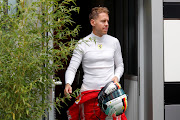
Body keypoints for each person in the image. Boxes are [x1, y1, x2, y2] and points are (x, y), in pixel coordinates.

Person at [64, 7, 126, 120]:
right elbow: (72, 68)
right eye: (103, 21)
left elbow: (120, 65)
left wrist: (116, 77)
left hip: (112, 94)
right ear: (93, 22)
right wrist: (68, 83)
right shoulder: (82, 44)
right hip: (89, 93)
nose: (106, 24)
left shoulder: (114, 42)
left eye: (107, 21)